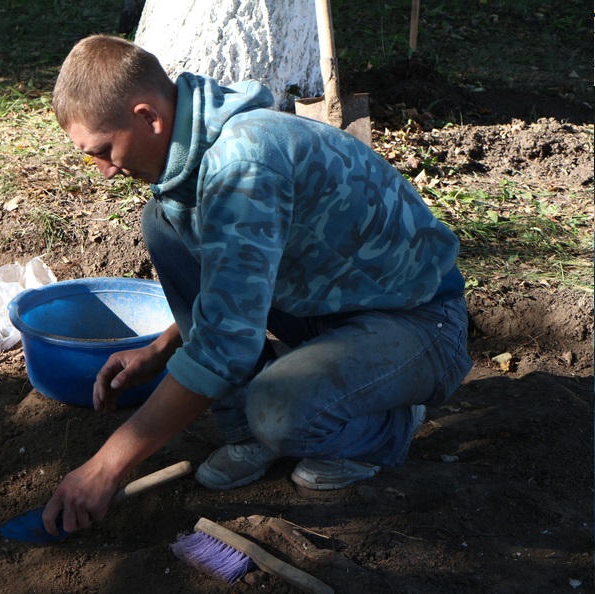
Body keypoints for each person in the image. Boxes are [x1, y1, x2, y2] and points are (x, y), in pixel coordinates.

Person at [42, 34, 472, 536]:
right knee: (164, 221)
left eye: (104, 150)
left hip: (417, 319)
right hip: (325, 305)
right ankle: (249, 433)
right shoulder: (194, 164)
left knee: (279, 411)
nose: (105, 170)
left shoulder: (244, 162)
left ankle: (383, 429)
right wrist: (161, 349)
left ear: (148, 117)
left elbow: (224, 345)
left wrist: (104, 467)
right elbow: (235, 283)